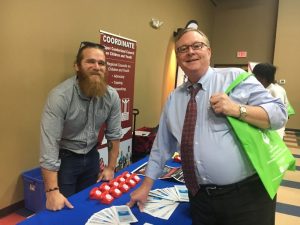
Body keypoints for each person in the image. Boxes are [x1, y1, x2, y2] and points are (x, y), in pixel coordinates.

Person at [127, 28, 287, 225]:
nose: (190, 52)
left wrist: (237, 109)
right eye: (183, 49)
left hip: (247, 197)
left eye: (197, 46)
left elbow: (280, 114)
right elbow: (161, 147)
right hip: (200, 198)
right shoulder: (174, 98)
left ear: (209, 52)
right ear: (178, 57)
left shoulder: (234, 78)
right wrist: (146, 185)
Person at [40, 41, 122, 211]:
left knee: (89, 206)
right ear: (77, 66)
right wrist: (52, 191)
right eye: (90, 61)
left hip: (92, 156)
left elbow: (113, 134)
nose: (97, 67)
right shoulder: (60, 96)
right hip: (65, 160)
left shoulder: (111, 96)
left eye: (101, 63)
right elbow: (49, 145)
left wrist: (110, 168)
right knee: (63, 210)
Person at [253, 63, 289, 138]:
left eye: (255, 76)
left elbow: (278, 114)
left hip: (274, 131)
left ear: (263, 78)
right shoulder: (269, 89)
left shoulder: (275, 91)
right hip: (269, 128)